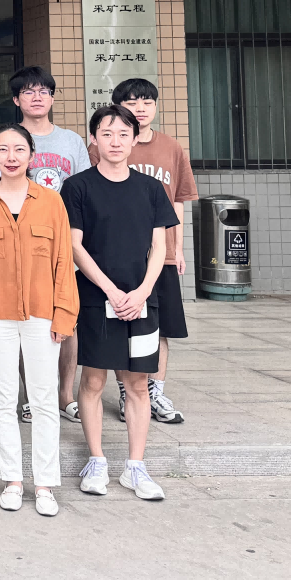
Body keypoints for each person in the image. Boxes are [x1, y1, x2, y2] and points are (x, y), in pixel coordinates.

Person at [0, 124, 78, 518]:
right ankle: (12, 480)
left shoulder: (51, 202)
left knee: (44, 399)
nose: (11, 156)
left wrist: (64, 313)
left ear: (31, 155)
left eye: (18, 149)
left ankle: (44, 484)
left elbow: (63, 261)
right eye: (2, 149)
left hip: (44, 314)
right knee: (2, 397)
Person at [63, 104, 174, 502]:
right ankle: (96, 460)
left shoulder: (151, 188)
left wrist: (142, 291)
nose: (115, 141)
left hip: (142, 302)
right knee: (93, 381)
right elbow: (75, 246)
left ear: (134, 138)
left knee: (138, 383)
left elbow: (159, 247)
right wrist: (109, 289)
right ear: (93, 139)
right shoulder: (77, 186)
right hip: (96, 299)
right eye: (106, 134)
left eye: (123, 134)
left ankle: (135, 467)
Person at [90, 78, 197, 425]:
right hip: (120, 255)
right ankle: (128, 391)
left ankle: (155, 392)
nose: (140, 108)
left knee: (160, 327)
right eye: (132, 102)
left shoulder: (171, 147)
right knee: (121, 323)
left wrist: (178, 248)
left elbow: (178, 200)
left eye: (147, 102)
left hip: (161, 255)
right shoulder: (107, 144)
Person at [10, 65, 91, 424]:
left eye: (44, 91)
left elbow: (86, 191)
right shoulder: (8, 138)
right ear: (16, 100)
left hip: (67, 241)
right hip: (24, 243)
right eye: (28, 91)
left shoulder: (71, 142)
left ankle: (65, 395)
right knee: (25, 321)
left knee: (67, 319)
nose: (37, 97)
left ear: (53, 98)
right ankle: (31, 396)